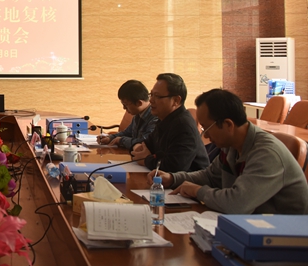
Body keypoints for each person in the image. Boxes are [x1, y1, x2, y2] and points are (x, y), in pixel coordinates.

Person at [149, 89, 308, 214]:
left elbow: (237, 204)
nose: (205, 136)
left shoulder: (267, 154)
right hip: (251, 225)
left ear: (228, 125)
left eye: (206, 128)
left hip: (283, 236)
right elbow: (210, 177)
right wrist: (172, 178)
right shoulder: (231, 145)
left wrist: (198, 191)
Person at [131, 73, 209, 172]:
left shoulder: (183, 125)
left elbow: (174, 167)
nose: (151, 100)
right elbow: (146, 145)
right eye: (151, 95)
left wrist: (147, 160)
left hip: (188, 180)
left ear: (176, 100)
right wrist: (138, 148)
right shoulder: (164, 119)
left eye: (157, 96)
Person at [97, 80, 157, 149]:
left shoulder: (155, 117)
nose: (124, 108)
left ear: (139, 103)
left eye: (126, 104)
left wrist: (121, 140)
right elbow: (127, 133)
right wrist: (110, 138)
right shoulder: (138, 114)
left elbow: (145, 143)